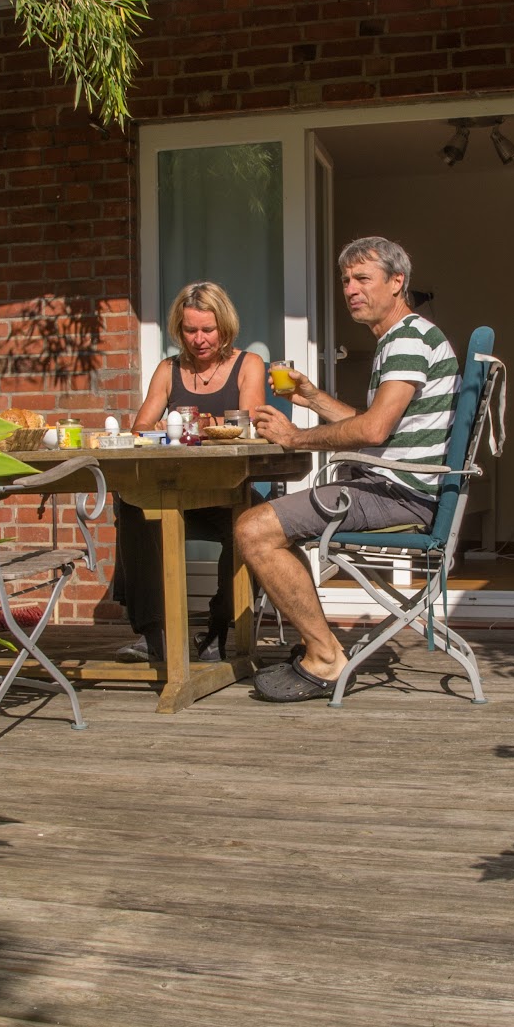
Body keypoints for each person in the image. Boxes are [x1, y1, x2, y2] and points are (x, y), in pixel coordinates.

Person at [237, 236, 458, 702]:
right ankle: (319, 645)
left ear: (397, 282)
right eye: (345, 281)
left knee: (254, 529)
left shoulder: (407, 339)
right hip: (398, 485)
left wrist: (295, 437)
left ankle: (325, 658)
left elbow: (373, 430)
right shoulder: (406, 336)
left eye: (362, 278)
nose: (351, 289)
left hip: (399, 493)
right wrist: (312, 397)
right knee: (272, 528)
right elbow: (380, 425)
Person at [113, 281, 266, 661]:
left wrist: (197, 423)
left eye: (207, 330)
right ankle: (155, 632)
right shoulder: (169, 370)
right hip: (177, 489)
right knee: (130, 504)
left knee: (253, 524)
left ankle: (217, 628)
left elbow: (248, 424)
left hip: (229, 489)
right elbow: (139, 428)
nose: (199, 339)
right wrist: (160, 428)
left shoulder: (247, 365)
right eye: (190, 330)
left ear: (225, 327)